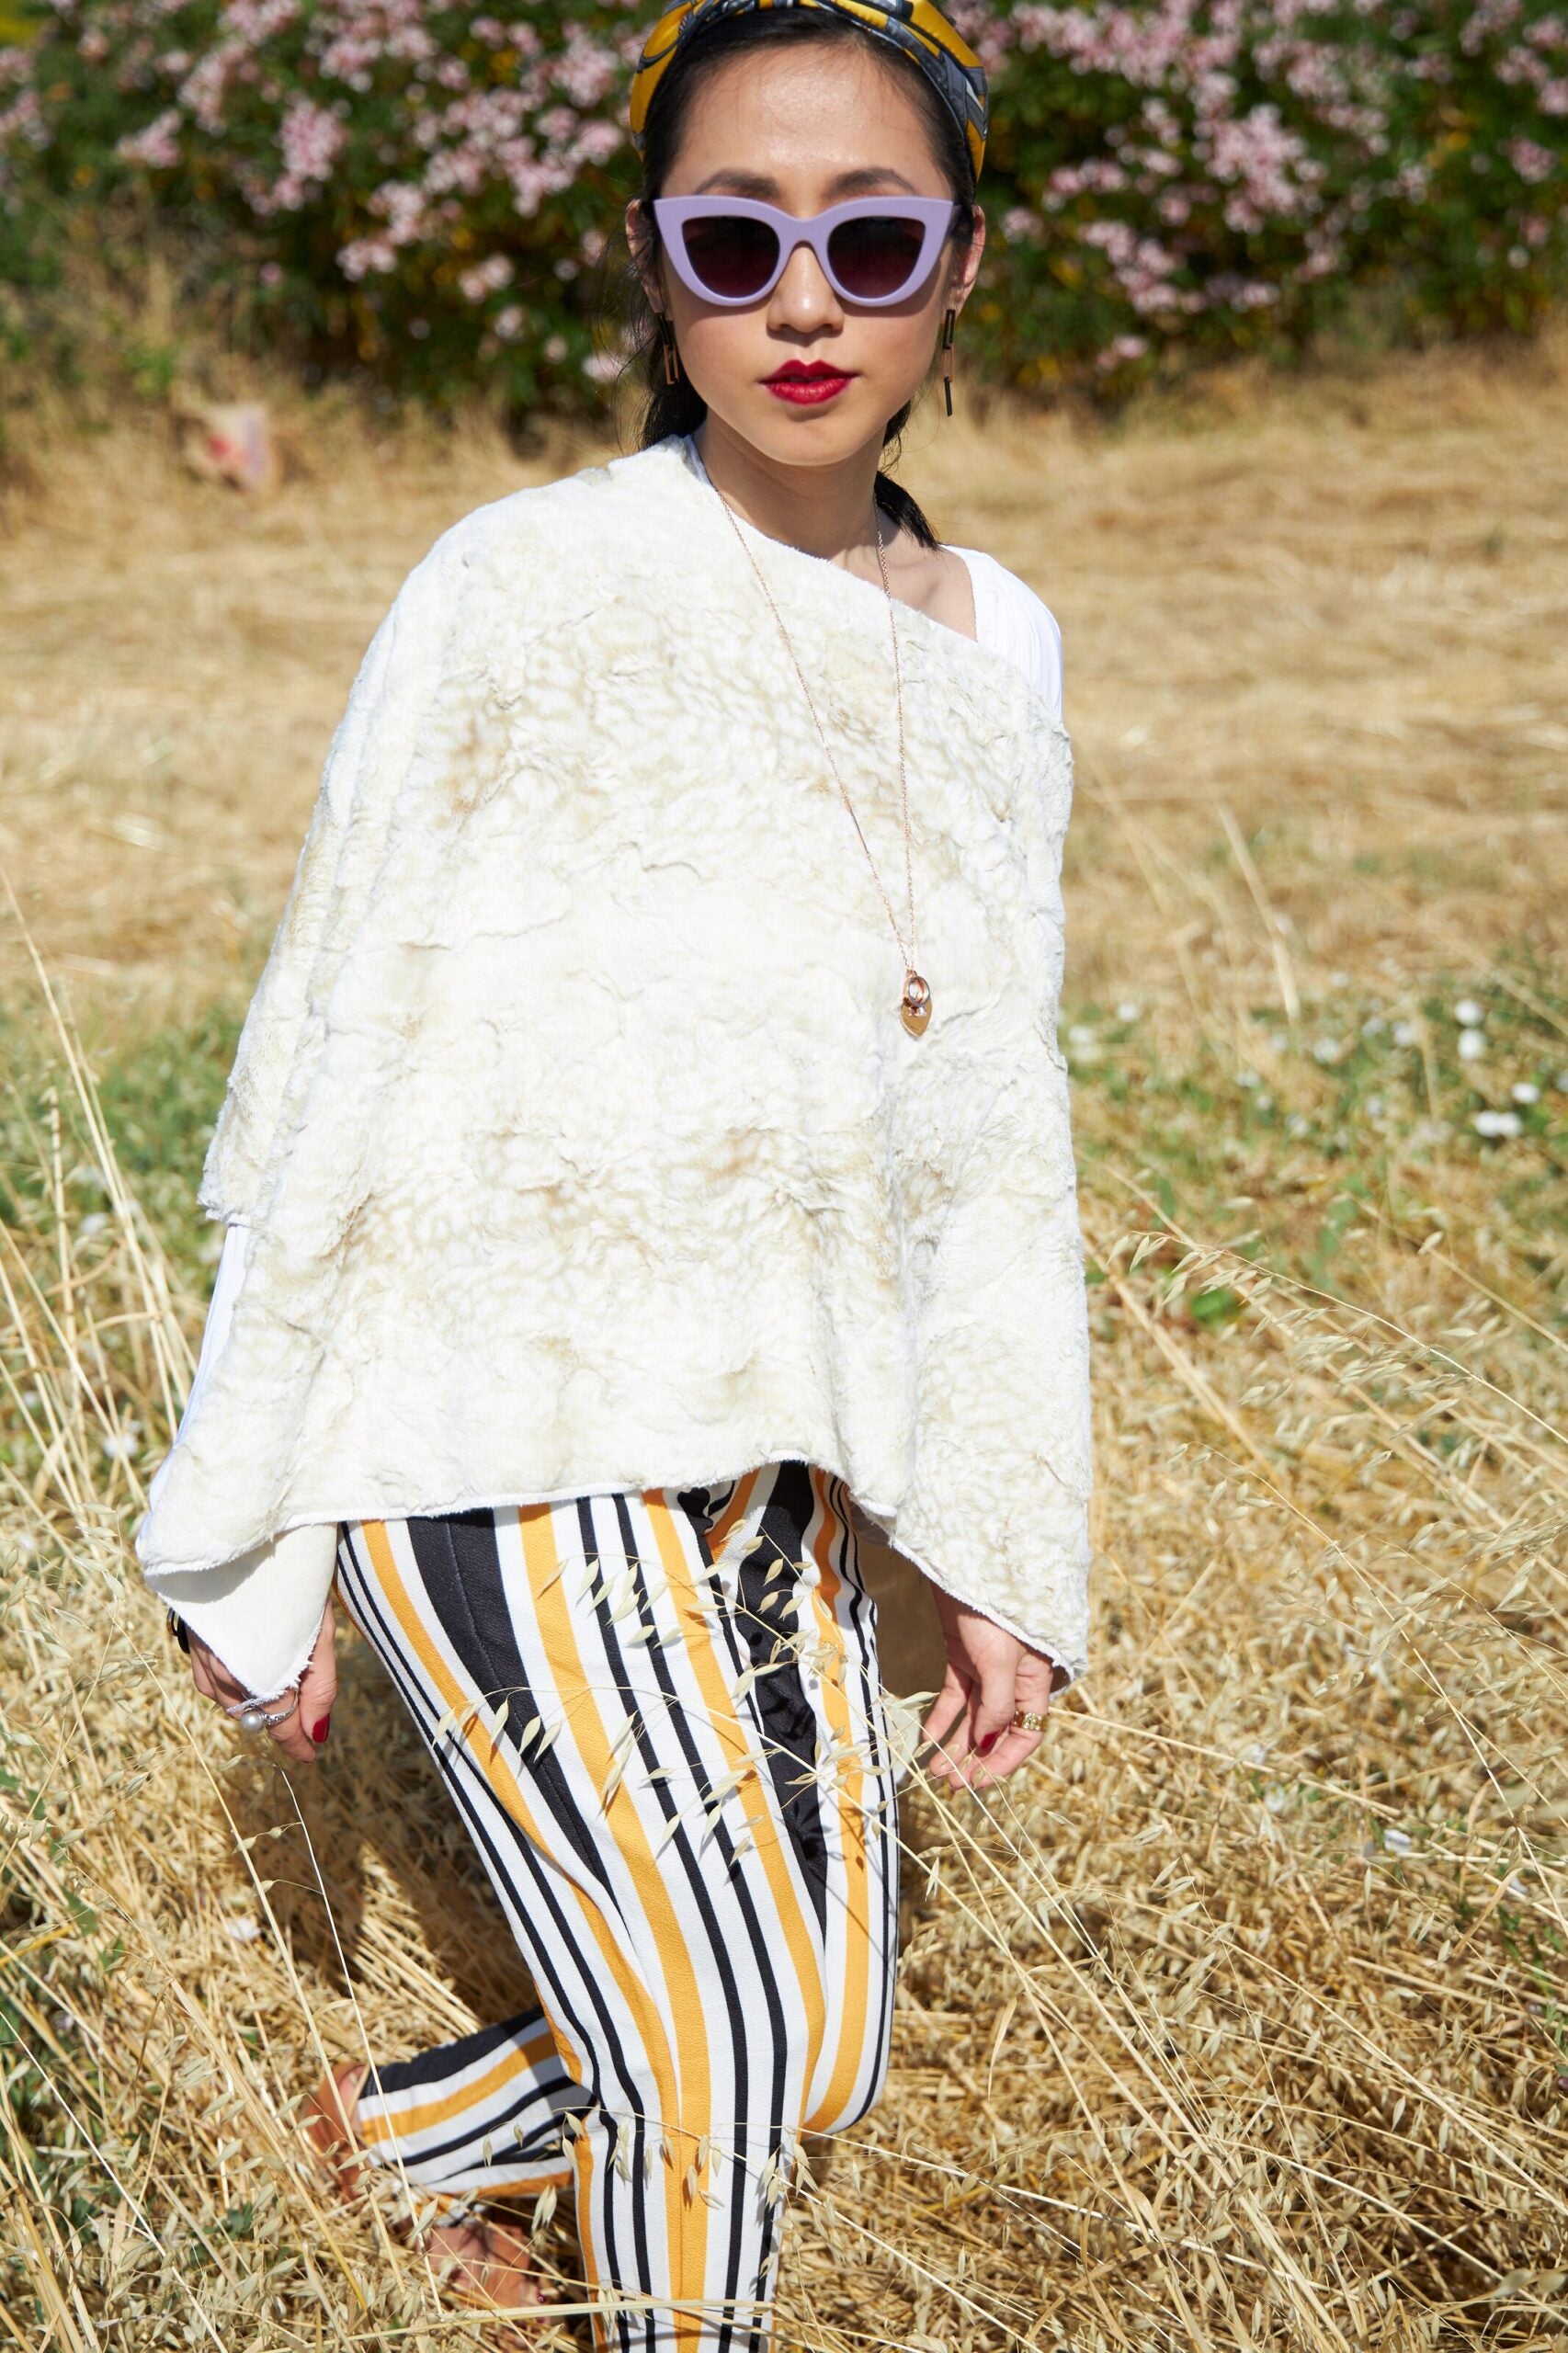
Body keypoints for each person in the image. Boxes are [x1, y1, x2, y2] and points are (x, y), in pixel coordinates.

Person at [138, 0, 1094, 2341]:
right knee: (723, 2039)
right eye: (733, 234)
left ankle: (387, 2140)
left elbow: (983, 1119)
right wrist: (251, 1511)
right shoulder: (520, 583)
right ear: (649, 266)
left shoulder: (999, 645)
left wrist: (994, 1528)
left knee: (826, 2042)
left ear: (958, 271)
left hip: (782, 1461)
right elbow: (338, 1029)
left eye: (873, 240)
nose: (802, 298)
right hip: (492, 1418)